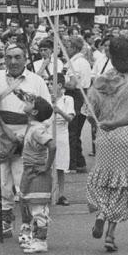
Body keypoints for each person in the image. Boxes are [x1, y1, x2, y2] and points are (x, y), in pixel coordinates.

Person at [0, 45, 51, 240]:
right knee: (2, 184)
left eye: (18, 57)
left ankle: (27, 227)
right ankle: (4, 224)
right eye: (9, 57)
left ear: (25, 59)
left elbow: (47, 111)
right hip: (1, 137)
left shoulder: (36, 81)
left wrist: (30, 136)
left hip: (26, 139)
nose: (13, 61)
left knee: (24, 185)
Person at [86, 37, 128, 252]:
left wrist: (100, 122)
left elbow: (89, 114)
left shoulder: (101, 81)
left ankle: (101, 212)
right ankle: (111, 234)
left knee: (103, 181)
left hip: (105, 137)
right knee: (122, 186)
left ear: (110, 56)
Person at [17, 95, 56, 254]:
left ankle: (41, 241)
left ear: (34, 111)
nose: (25, 103)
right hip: (30, 170)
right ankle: (36, 238)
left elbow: (52, 146)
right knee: (31, 204)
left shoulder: (37, 129)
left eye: (30, 102)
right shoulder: (32, 126)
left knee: (39, 207)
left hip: (37, 171)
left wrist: (46, 167)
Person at [64, 36, 92, 173]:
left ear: (74, 48)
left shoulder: (76, 63)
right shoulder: (83, 61)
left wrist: (57, 82)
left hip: (76, 97)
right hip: (83, 96)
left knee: (72, 132)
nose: (65, 50)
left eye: (68, 47)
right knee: (76, 132)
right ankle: (80, 163)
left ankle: (72, 164)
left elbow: (72, 84)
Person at [47, 73, 75, 206]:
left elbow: (70, 118)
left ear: (59, 85)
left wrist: (58, 110)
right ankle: (47, 193)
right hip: (47, 133)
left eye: (51, 83)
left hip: (62, 133)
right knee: (47, 165)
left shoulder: (67, 99)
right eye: (48, 83)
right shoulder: (46, 98)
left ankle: (61, 194)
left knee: (60, 166)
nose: (49, 86)